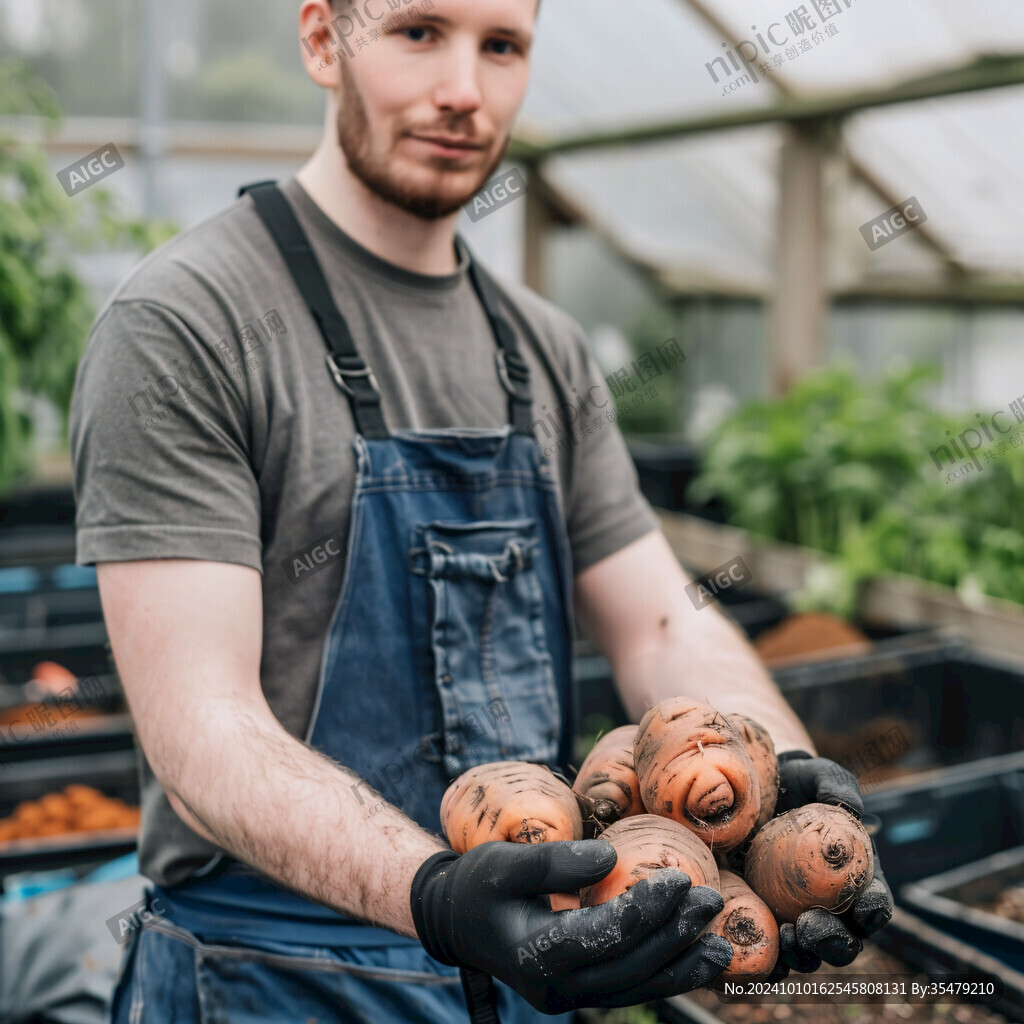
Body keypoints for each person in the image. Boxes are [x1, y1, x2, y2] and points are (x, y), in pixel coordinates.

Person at [68, 0, 892, 1020]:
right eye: (419, 30)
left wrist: (776, 793)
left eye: (501, 45)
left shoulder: (542, 350)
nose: (464, 88)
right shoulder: (187, 324)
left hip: (525, 966)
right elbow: (201, 729)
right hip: (268, 974)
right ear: (324, 40)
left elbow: (663, 620)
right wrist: (433, 895)